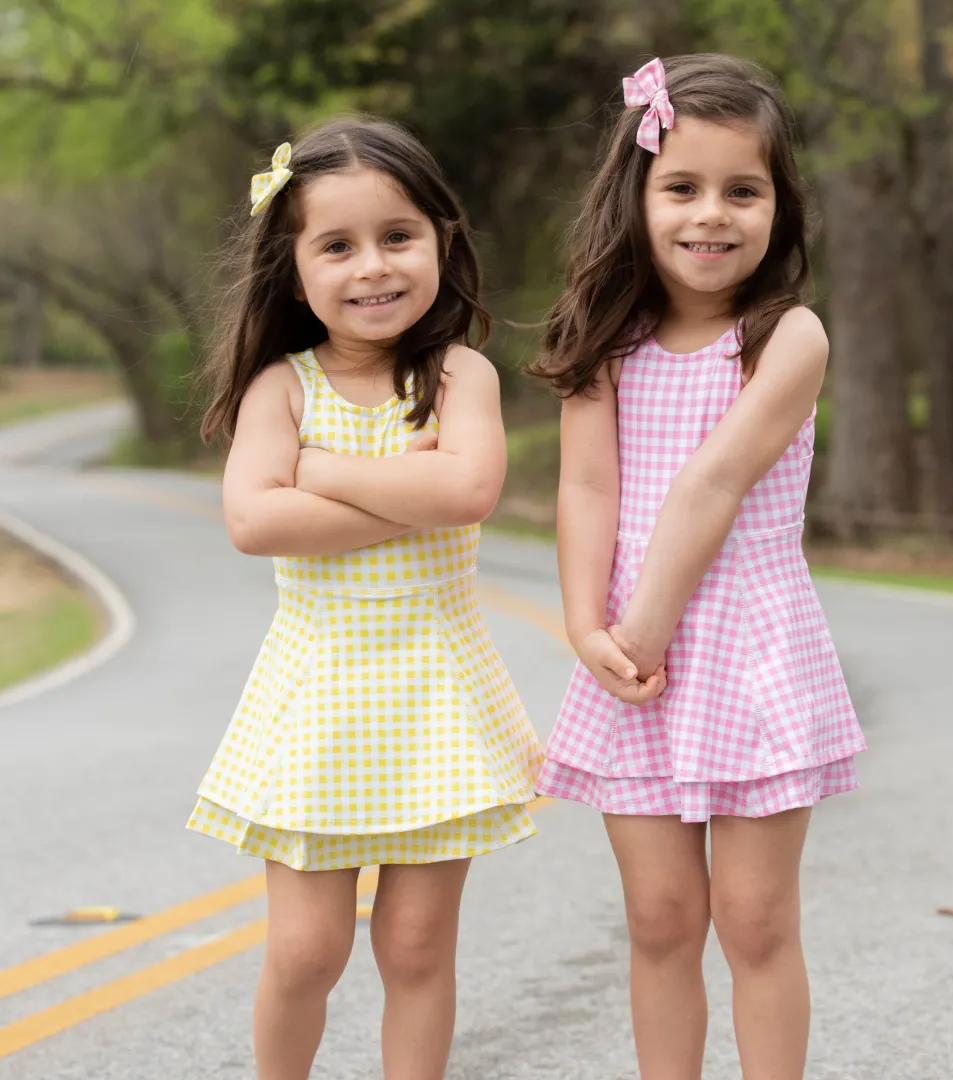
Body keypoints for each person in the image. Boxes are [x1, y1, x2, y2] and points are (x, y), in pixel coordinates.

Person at [529, 55, 867, 1080]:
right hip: (633, 652)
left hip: (746, 648)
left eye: (742, 190)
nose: (709, 215)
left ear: (780, 207)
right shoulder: (604, 341)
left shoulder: (785, 338)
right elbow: (588, 492)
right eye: (681, 186)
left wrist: (638, 631)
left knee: (755, 920)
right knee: (662, 917)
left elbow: (708, 490)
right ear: (634, 198)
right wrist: (587, 626)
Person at [188, 116, 543, 1080]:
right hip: (321, 697)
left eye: (398, 237)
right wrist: (401, 490)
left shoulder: (458, 373)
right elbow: (256, 522)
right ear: (292, 270)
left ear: (442, 242)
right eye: (336, 245)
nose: (372, 267)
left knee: (417, 950)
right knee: (308, 953)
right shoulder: (282, 386)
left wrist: (315, 471)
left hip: (438, 696)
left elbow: (467, 494)